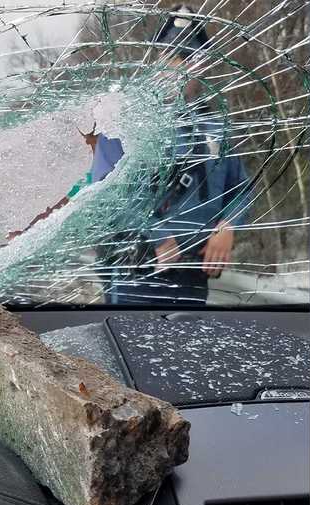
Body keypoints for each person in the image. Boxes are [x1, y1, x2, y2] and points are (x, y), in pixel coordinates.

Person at [92, 6, 250, 305]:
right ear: (157, 62)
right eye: (172, 58)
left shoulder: (216, 129)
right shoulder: (124, 124)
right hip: (135, 273)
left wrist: (229, 226)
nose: (181, 68)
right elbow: (107, 194)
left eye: (191, 60)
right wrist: (157, 236)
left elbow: (241, 189)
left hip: (193, 277)